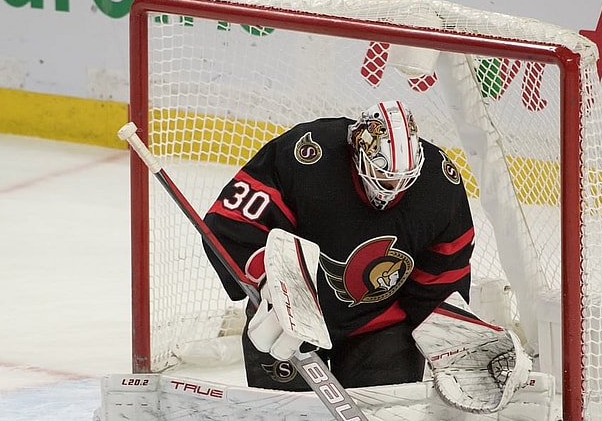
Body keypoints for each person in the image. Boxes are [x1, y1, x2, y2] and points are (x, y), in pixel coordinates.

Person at [202, 100, 475, 391]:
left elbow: (443, 276)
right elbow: (231, 222)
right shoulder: (306, 154)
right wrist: (271, 286)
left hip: (379, 325)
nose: (392, 188)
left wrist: (456, 341)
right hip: (291, 315)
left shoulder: (439, 184)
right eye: (383, 174)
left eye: (402, 179)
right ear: (357, 151)